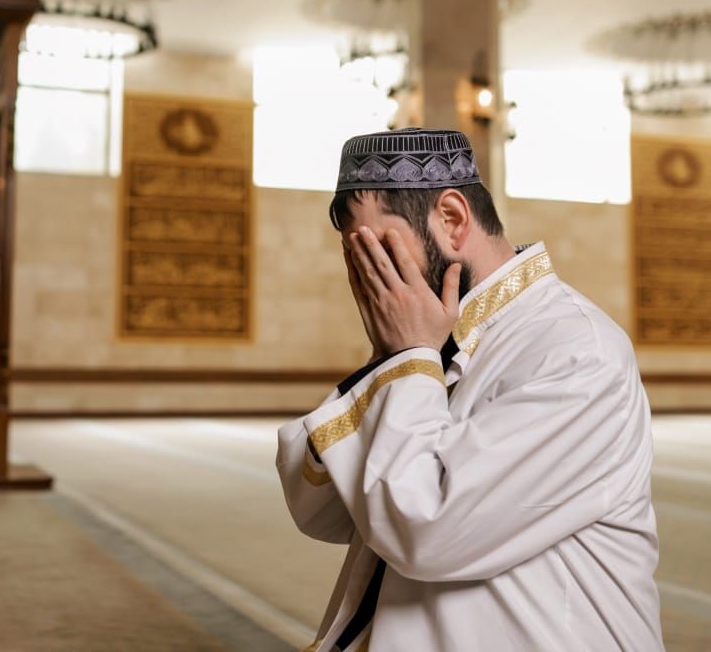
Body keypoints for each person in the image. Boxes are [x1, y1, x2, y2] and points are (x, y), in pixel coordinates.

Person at [276, 128, 663, 651]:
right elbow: (320, 511)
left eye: (379, 248)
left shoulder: (576, 349)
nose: (372, 278)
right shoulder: (433, 340)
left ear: (453, 219)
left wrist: (409, 357)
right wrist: (397, 359)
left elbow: (423, 530)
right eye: (357, 256)